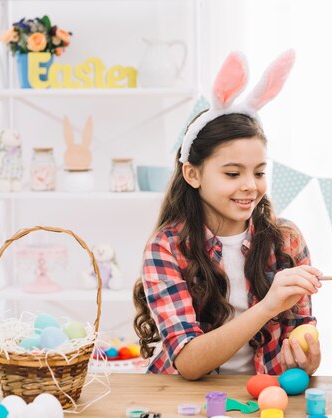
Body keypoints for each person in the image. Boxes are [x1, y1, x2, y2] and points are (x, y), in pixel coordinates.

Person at [133, 50, 322, 380]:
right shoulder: (167, 247)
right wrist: (268, 306)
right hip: (185, 399)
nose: (250, 186)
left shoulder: (286, 239)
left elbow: (301, 338)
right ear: (193, 174)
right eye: (233, 174)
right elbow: (189, 363)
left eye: (259, 172)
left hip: (262, 396)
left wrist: (306, 358)